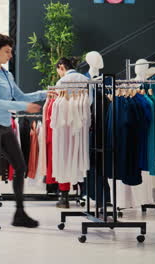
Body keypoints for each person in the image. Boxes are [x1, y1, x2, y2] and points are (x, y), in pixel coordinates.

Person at [0, 34, 52, 231]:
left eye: (11, 51)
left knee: (20, 166)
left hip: (4, 123)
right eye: (7, 51)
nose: (10, 55)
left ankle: (19, 214)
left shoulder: (7, 74)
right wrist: (23, 106)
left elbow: (21, 96)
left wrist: (45, 93)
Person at [54, 57, 89, 208]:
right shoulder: (85, 80)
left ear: (61, 67)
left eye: (58, 71)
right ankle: (84, 193)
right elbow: (90, 102)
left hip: (64, 127)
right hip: (82, 124)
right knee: (81, 156)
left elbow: (57, 104)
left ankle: (64, 198)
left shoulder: (61, 83)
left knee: (64, 157)